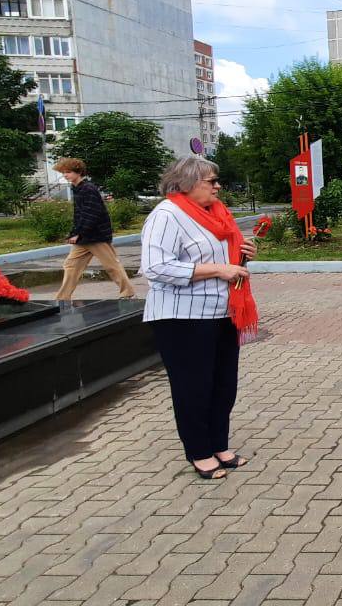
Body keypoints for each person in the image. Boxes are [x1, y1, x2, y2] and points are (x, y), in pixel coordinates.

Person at [139, 156, 256, 480]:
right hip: (181, 318)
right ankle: (199, 451)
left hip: (221, 312)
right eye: (212, 181)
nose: (218, 187)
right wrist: (218, 269)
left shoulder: (215, 213)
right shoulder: (167, 215)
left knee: (223, 384)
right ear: (187, 183)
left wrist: (241, 254)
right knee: (194, 387)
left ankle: (219, 444)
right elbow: (156, 267)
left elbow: (221, 258)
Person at [52, 157, 135, 301]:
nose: (65, 175)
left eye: (68, 172)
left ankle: (127, 292)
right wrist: (74, 232)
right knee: (71, 265)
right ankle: (62, 298)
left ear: (79, 172)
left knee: (111, 266)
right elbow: (79, 214)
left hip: (97, 236)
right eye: (63, 172)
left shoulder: (88, 189)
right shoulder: (77, 188)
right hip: (84, 238)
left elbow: (92, 214)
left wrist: (79, 233)